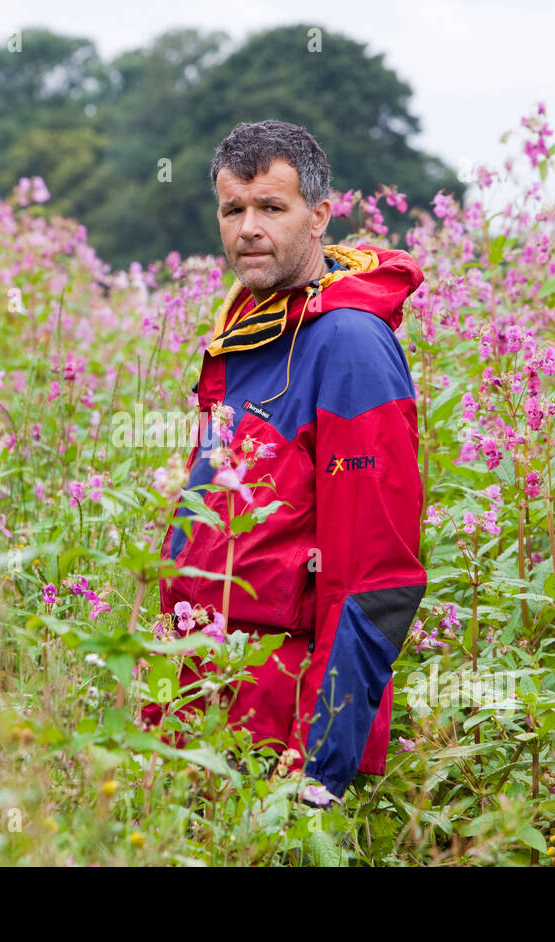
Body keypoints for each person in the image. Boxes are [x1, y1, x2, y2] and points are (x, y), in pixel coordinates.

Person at [140, 119, 428, 802]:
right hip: (207, 717)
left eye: (271, 207)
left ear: (319, 216)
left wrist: (316, 765)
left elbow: (374, 578)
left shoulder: (349, 345)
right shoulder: (253, 329)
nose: (247, 228)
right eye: (232, 208)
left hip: (281, 740)